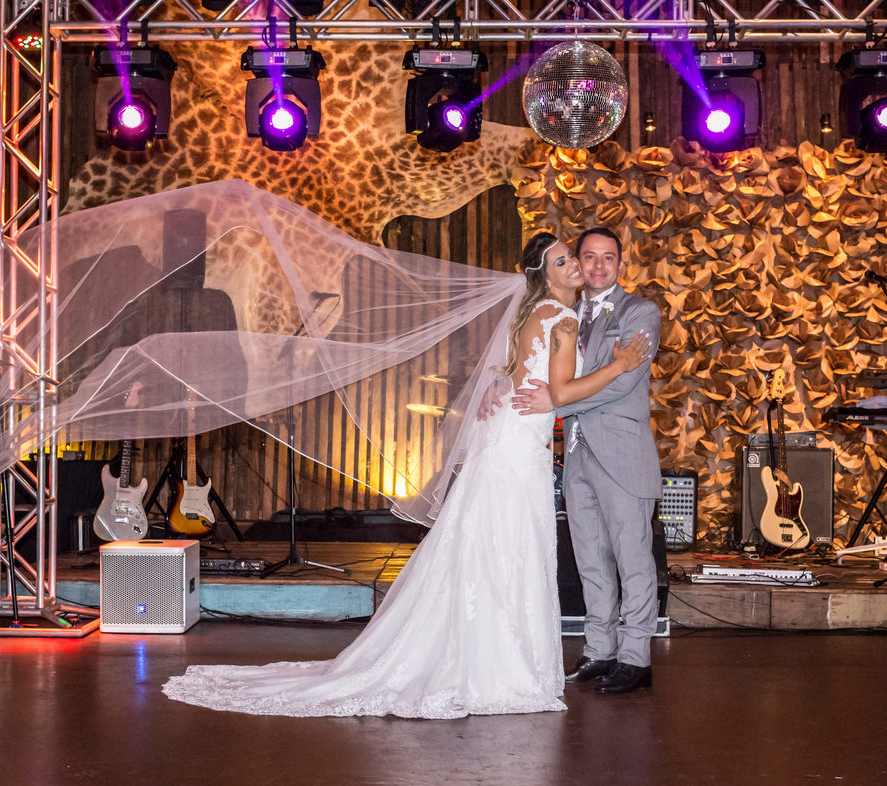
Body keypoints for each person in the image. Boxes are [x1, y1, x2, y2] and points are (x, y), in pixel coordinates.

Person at [161, 232, 649, 718]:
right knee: (511, 546)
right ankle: (499, 663)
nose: (577, 267)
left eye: (576, 259)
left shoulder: (537, 313)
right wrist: (620, 362)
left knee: (490, 544)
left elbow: (521, 372)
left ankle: (491, 652)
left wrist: (498, 388)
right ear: (544, 272)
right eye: (566, 260)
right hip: (520, 446)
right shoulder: (560, 315)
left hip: (511, 438)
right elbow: (560, 392)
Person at [511, 226, 661, 695]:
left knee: (632, 559)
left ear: (621, 261)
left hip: (622, 453)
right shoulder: (565, 310)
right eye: (589, 257)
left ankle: (635, 658)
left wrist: (555, 404)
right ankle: (600, 651)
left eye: (608, 257)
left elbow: (622, 382)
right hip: (575, 456)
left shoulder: (641, 311)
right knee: (590, 560)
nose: (597, 266)